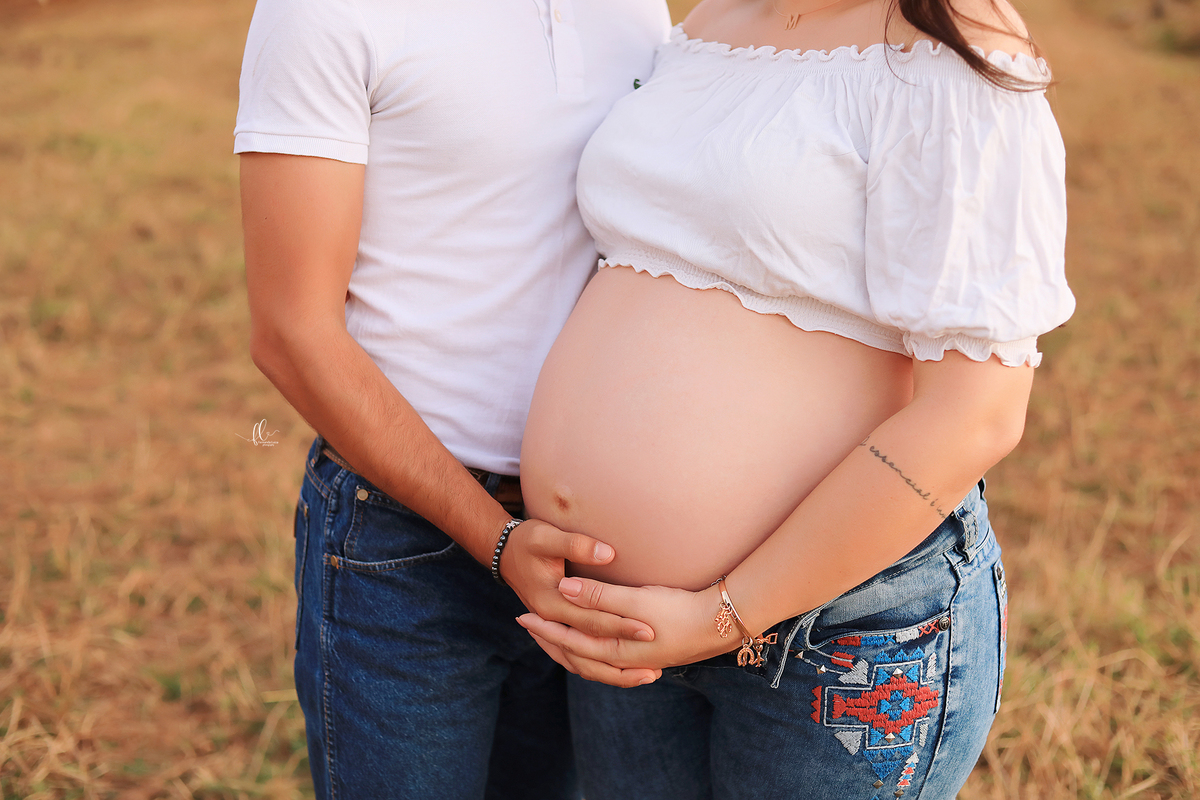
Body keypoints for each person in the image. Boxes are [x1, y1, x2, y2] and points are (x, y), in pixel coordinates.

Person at [514, 0, 1075, 796]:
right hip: (624, 618)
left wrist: (723, 614)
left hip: (833, 637)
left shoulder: (954, 57)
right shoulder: (715, 20)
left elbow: (976, 416)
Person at [233, 1, 671, 797]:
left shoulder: (635, 8)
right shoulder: (323, 13)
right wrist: (497, 540)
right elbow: (291, 331)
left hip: (603, 554)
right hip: (405, 548)